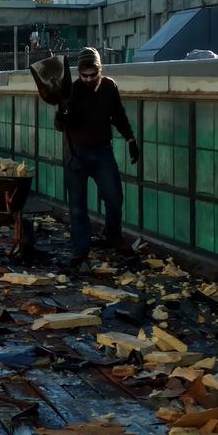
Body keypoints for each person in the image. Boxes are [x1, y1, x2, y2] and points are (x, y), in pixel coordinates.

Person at [54, 48, 140, 269]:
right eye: (84, 75)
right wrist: (62, 111)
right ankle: (80, 250)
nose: (89, 79)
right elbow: (59, 126)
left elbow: (118, 115)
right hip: (77, 153)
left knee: (114, 197)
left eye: (93, 75)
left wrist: (131, 140)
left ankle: (112, 234)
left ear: (100, 71)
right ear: (79, 73)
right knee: (77, 206)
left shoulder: (109, 87)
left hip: (102, 151)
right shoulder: (72, 91)